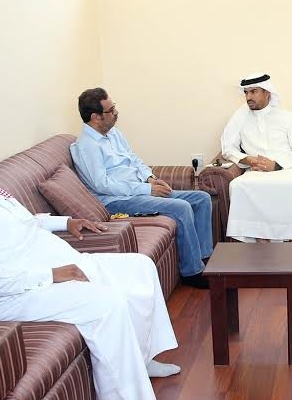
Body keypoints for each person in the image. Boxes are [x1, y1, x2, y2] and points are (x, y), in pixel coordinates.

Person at [0, 122, 181, 400]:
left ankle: (141, 360)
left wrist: (66, 223)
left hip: (53, 266)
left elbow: (24, 223)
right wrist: (52, 274)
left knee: (139, 267)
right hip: (11, 295)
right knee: (106, 303)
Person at [71, 88, 213, 288]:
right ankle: (192, 272)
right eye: (111, 110)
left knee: (202, 199)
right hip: (117, 201)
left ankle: (205, 260)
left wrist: (150, 178)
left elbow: (134, 158)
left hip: (140, 188)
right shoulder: (86, 146)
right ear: (95, 117)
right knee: (181, 208)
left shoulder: (113, 133)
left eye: (114, 107)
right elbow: (102, 185)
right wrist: (146, 190)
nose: (116, 113)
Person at [219, 73, 292, 252]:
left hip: (291, 168)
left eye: (253, 92)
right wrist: (246, 159)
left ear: (267, 93)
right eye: (246, 93)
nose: (248, 97)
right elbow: (227, 147)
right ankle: (263, 246)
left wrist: (276, 164)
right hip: (257, 171)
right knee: (238, 186)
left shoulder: (287, 117)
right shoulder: (240, 118)